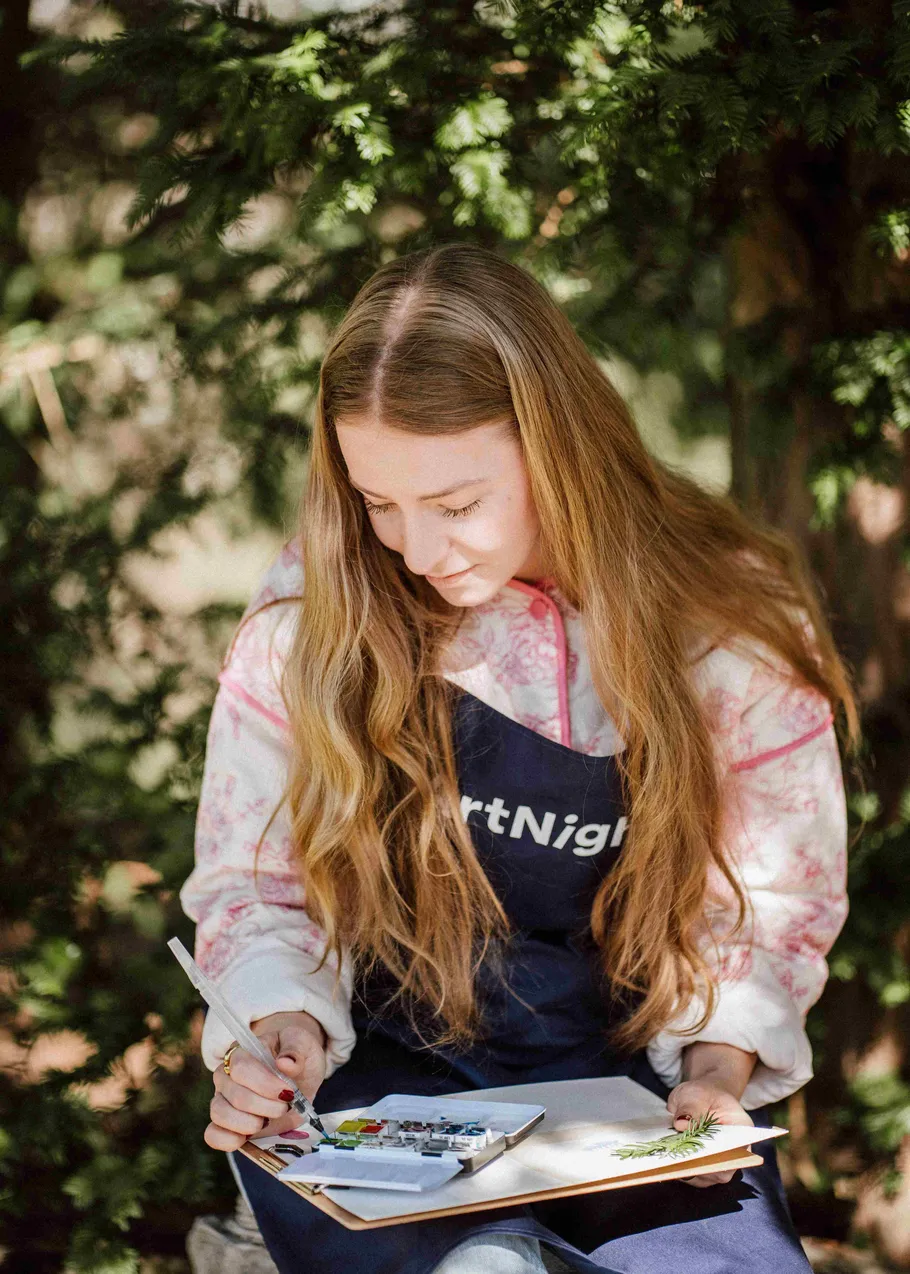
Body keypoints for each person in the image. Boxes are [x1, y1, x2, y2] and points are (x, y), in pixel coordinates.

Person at [180, 243, 858, 1274]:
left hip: (630, 1084)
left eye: (455, 503)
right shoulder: (312, 609)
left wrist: (720, 1068)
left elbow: (767, 899)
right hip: (384, 1079)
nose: (414, 547)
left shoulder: (724, 617)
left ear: (561, 445)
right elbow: (256, 885)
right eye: (378, 501)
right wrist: (274, 1029)